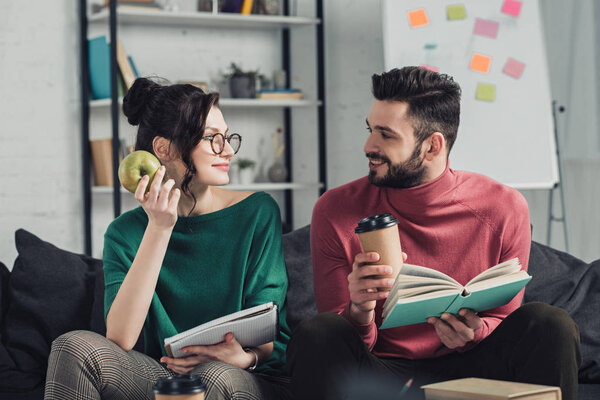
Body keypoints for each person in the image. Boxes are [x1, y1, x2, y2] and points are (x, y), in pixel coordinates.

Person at [286, 66, 581, 400]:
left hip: (474, 365)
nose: (369, 145)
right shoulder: (335, 209)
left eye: (386, 135)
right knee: (319, 332)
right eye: (370, 130)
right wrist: (359, 309)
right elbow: (342, 340)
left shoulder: (504, 206)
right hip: (381, 369)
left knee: (549, 323)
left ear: (432, 146)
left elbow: (503, 317)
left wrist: (475, 333)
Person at [45, 78, 292, 400]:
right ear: (163, 148)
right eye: (212, 139)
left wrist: (246, 357)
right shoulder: (125, 233)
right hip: (156, 373)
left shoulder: (257, 212)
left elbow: (267, 326)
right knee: (73, 346)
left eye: (228, 137)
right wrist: (159, 227)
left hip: (237, 372)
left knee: (212, 376)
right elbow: (120, 338)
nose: (227, 150)